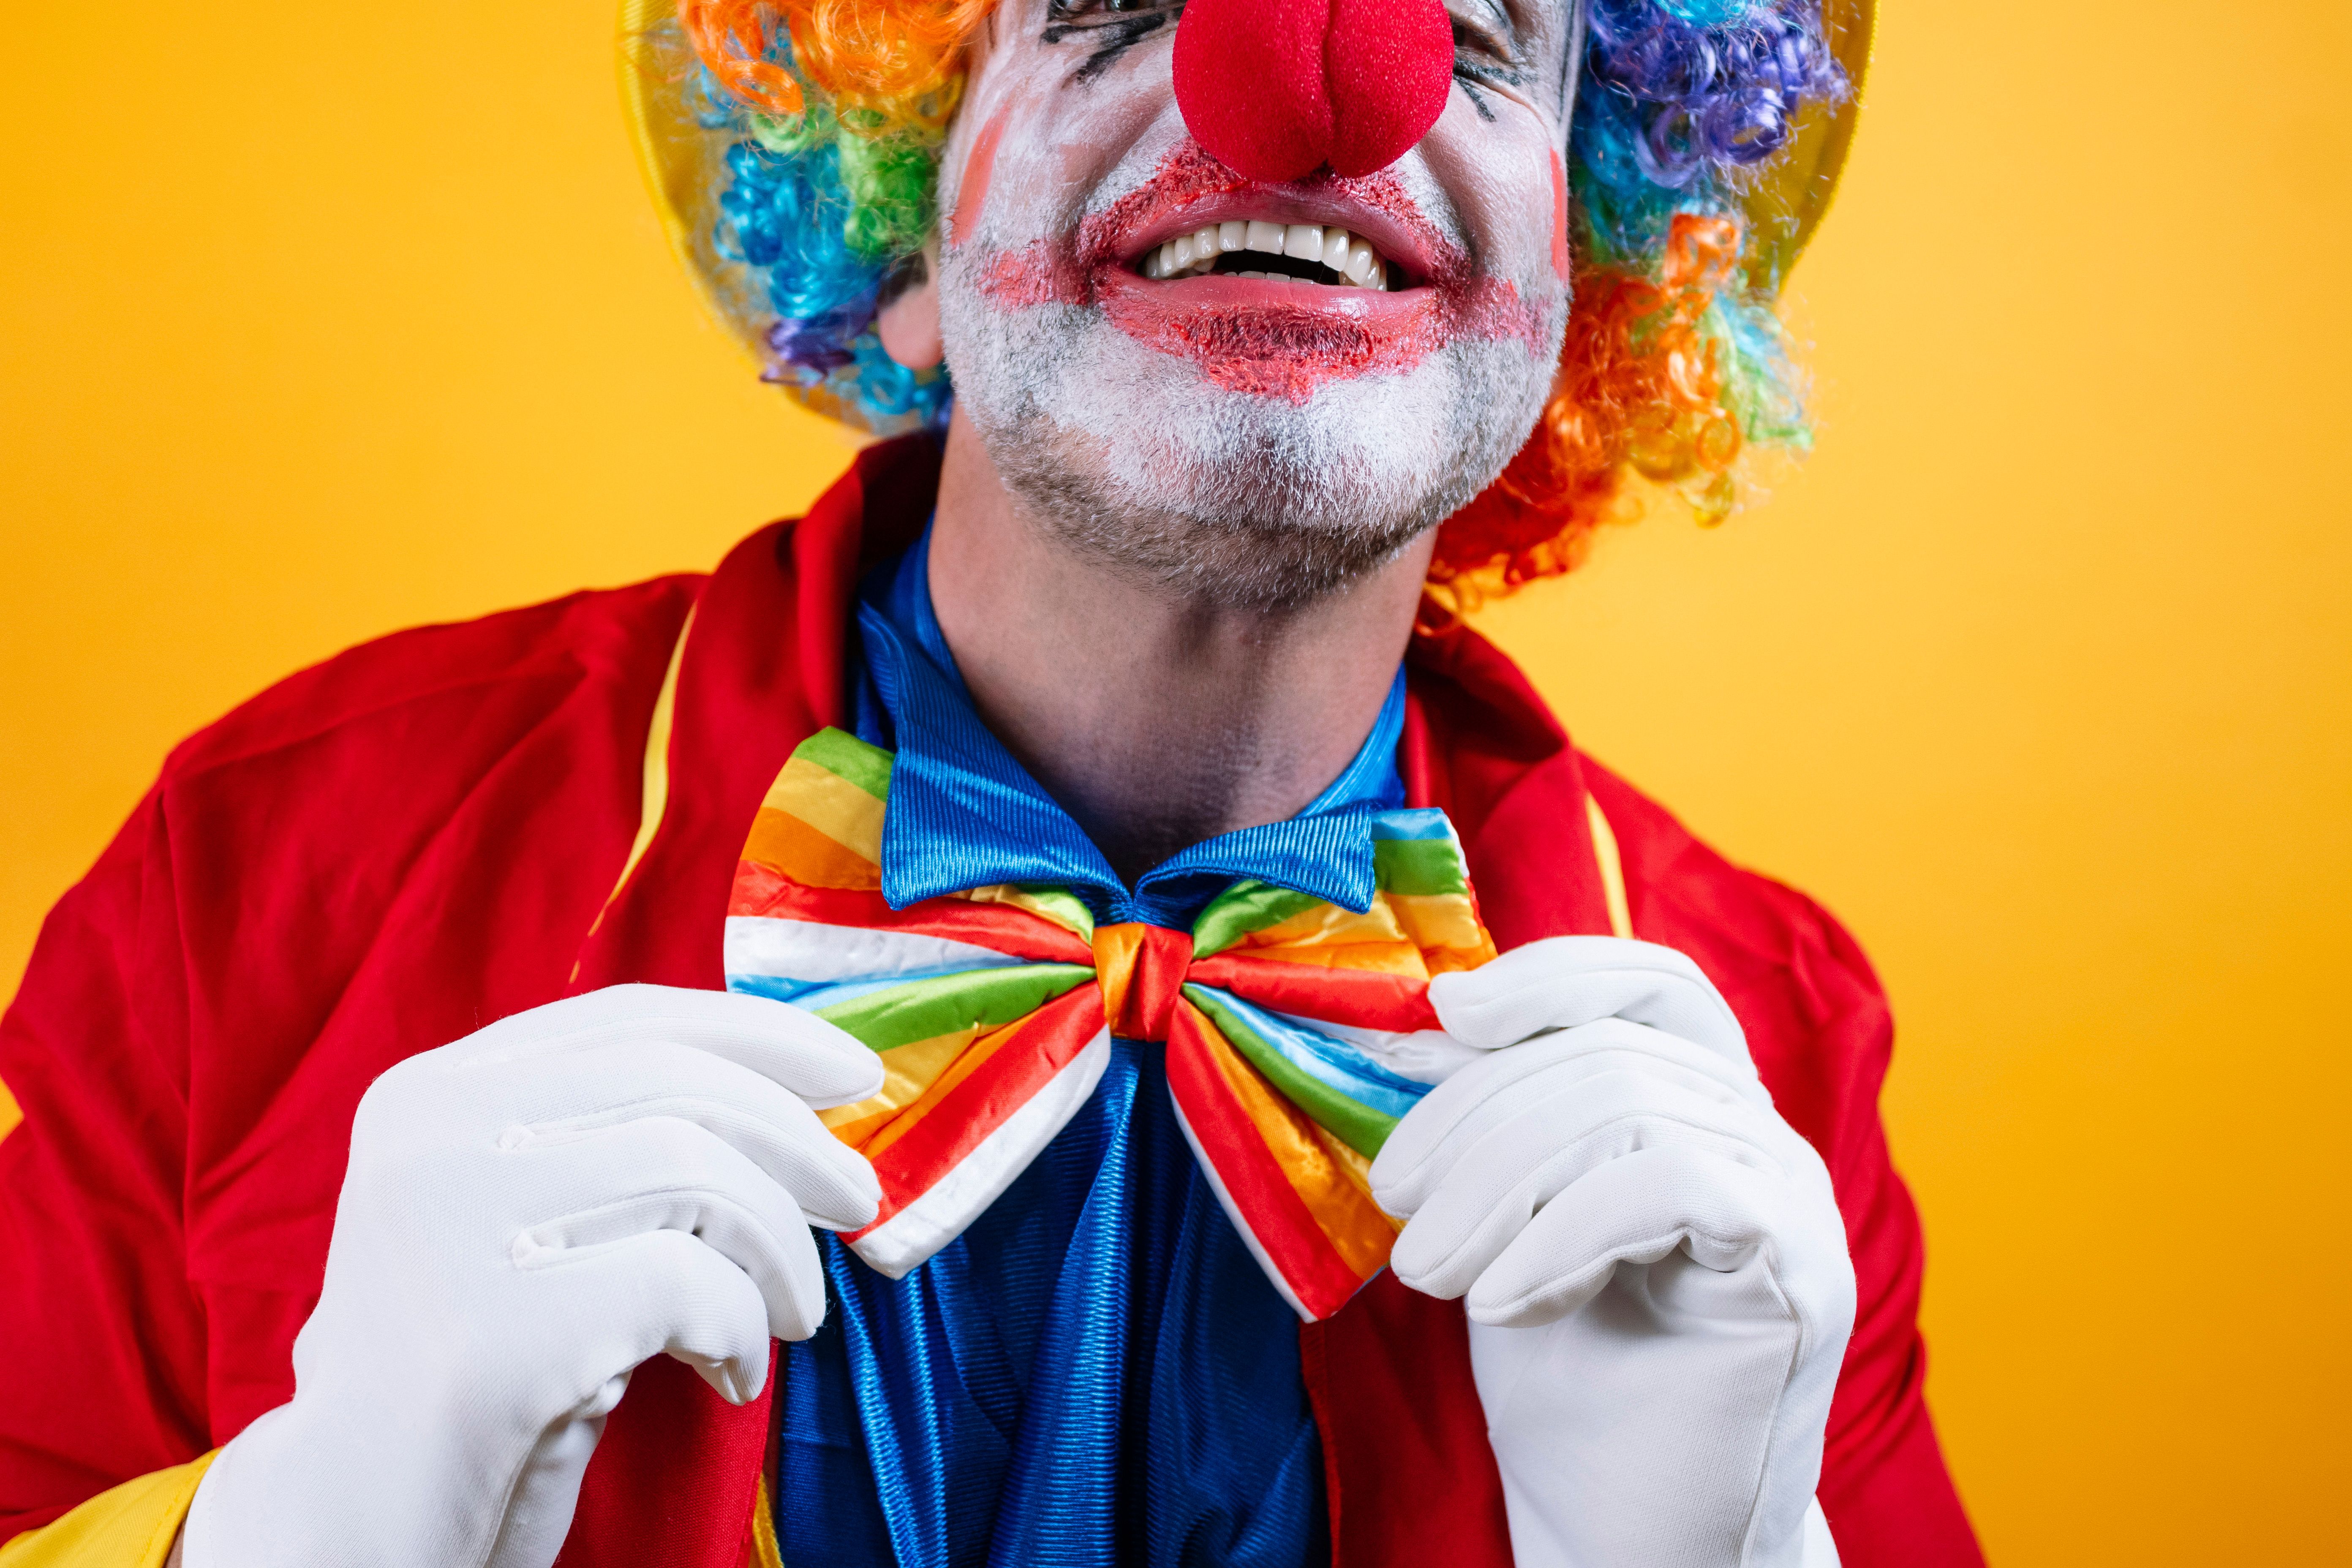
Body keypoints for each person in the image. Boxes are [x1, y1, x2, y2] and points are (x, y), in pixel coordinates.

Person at [0, 0, 1984, 1564]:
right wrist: (279, 1542)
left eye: (1473, 33)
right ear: (899, 220)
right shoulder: (280, 863)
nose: (1313, 75)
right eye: (1118, 3)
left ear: (1586, 279)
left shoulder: (1770, 1047)